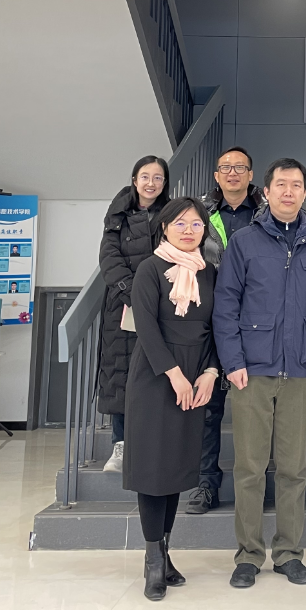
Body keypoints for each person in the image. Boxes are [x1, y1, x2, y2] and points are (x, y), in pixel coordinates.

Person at [213, 158, 306, 589]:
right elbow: (225, 305)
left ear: (305, 193)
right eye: (281, 184)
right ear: (265, 192)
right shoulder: (244, 241)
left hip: (303, 370)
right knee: (249, 467)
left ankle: (288, 554)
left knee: (293, 469)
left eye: (296, 185)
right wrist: (233, 362)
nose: (288, 191)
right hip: (252, 370)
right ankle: (248, 555)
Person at [122, 196, 220, 601]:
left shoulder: (210, 272)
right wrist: (174, 374)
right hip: (155, 375)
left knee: (177, 467)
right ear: (164, 228)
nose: (188, 231)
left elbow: (217, 327)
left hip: (196, 375)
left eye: (196, 224)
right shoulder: (150, 268)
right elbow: (146, 326)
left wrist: (210, 372)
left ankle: (165, 552)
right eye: (180, 223)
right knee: (153, 468)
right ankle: (151, 560)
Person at [186, 146, 266, 516]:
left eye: (240, 167)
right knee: (208, 408)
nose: (232, 173)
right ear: (217, 176)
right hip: (208, 315)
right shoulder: (199, 214)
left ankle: (258, 484)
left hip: (257, 318)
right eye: (225, 168)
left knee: (260, 410)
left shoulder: (266, 213)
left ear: (251, 175)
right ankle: (206, 485)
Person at [98, 155, 170, 473]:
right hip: (123, 306)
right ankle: (121, 444)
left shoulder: (171, 215)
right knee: (121, 374)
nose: (151, 183)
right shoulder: (117, 216)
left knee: (157, 373)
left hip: (162, 305)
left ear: (165, 183)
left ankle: (153, 444)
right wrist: (133, 295)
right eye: (145, 176)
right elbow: (109, 259)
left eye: (157, 177)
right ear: (134, 180)